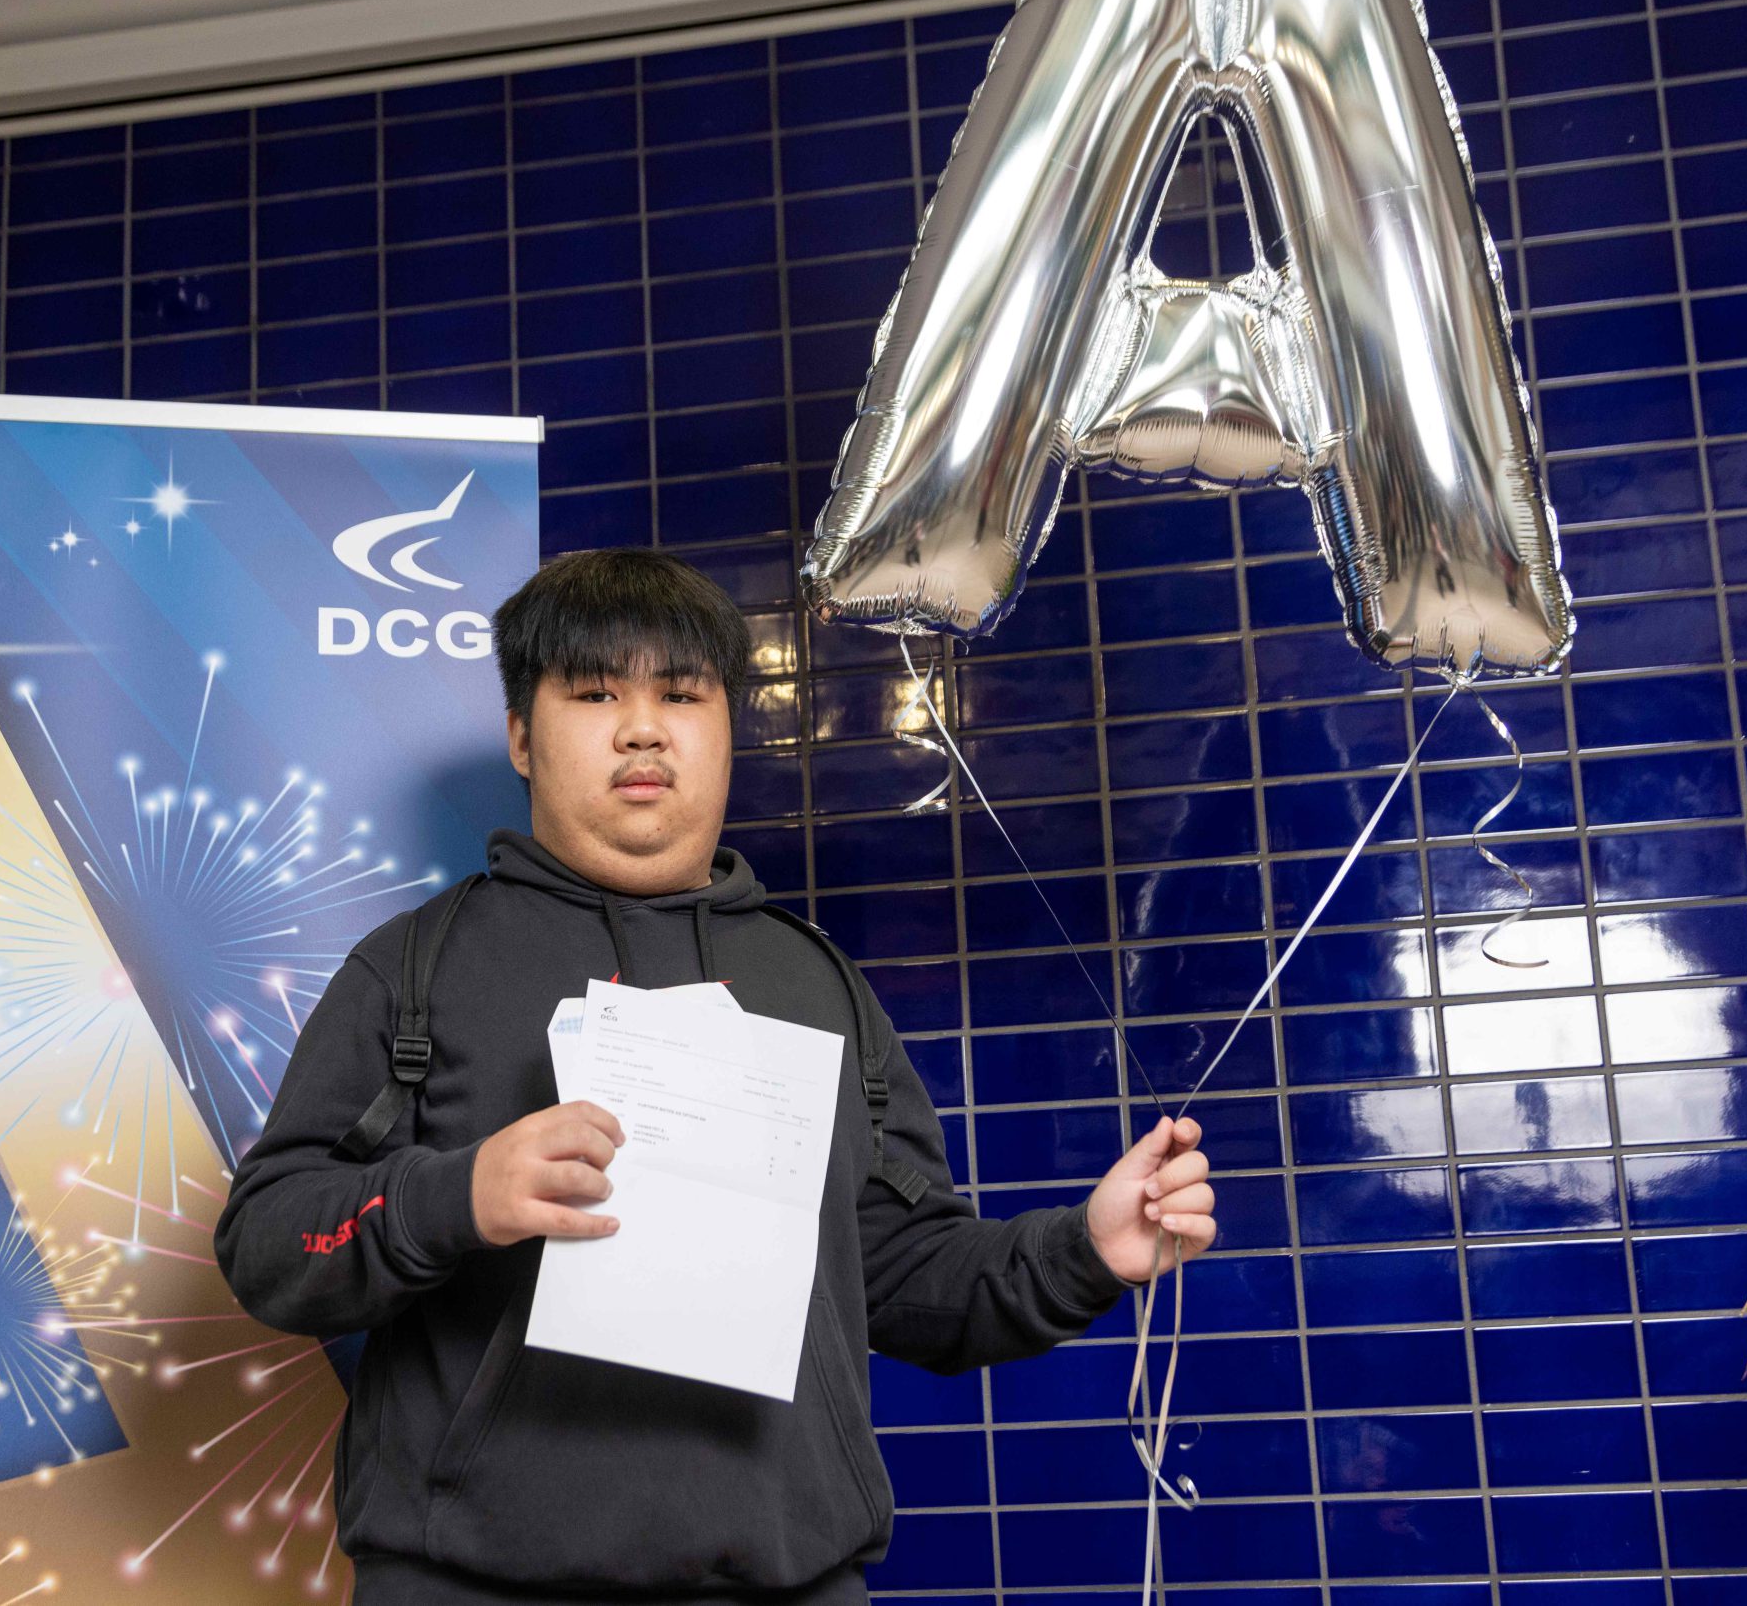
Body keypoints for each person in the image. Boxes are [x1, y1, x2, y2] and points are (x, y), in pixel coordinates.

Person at [214, 547, 1217, 1604]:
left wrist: (1087, 1250)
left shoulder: (818, 985)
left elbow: (902, 1277)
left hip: (789, 1583)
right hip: (469, 1584)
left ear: (728, 730)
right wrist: (457, 1195)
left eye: (681, 694)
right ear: (520, 734)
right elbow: (270, 1244)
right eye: (594, 693)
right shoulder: (412, 968)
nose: (641, 728)